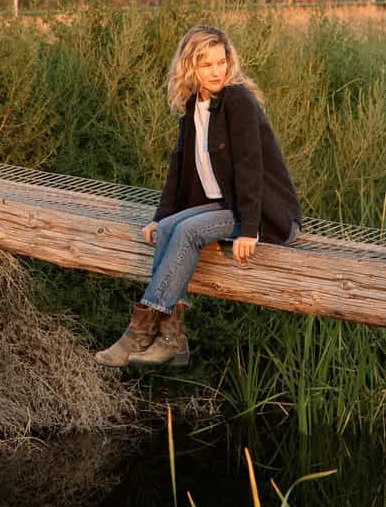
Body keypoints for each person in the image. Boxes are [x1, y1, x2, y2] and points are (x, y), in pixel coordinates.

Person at [95, 25, 302, 369]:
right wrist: (160, 218)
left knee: (188, 232)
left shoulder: (238, 101)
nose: (217, 71)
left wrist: (249, 229)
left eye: (222, 62)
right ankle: (172, 338)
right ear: (191, 67)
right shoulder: (194, 105)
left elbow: (251, 166)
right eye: (207, 65)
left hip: (263, 214)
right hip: (225, 206)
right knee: (169, 229)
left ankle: (141, 333)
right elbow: (178, 168)